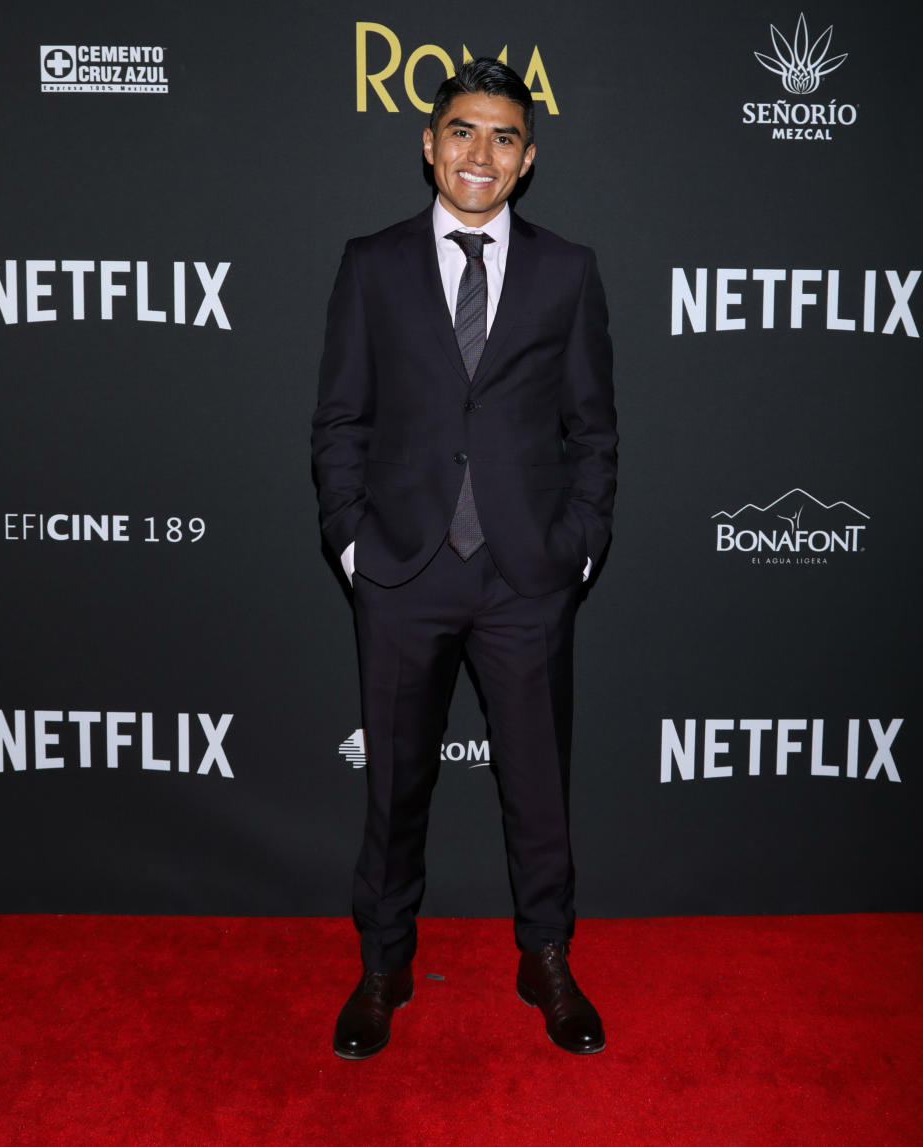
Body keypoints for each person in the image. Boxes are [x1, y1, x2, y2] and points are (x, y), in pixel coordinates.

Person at [311, 58, 617, 1059]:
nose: (478, 153)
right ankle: (384, 963)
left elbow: (594, 431)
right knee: (393, 789)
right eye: (461, 132)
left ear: (527, 160)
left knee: (538, 788)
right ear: (430, 143)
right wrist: (355, 544)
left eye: (502, 137)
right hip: (402, 570)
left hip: (525, 573)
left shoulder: (568, 271)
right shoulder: (373, 263)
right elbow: (340, 420)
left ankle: (548, 960)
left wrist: (574, 550)